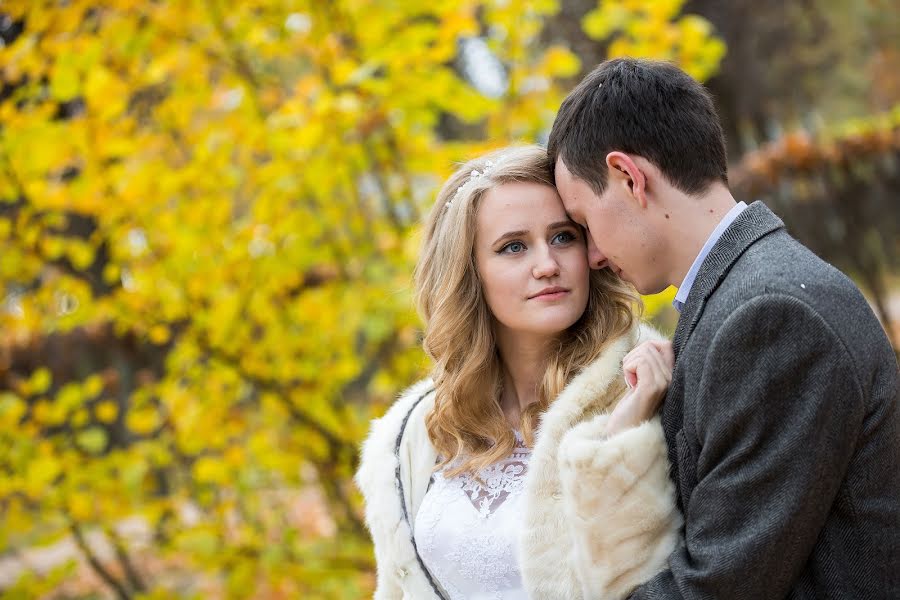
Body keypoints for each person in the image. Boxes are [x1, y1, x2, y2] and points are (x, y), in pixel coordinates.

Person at [548, 57, 900, 599]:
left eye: (585, 222)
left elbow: (720, 586)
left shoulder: (770, 315)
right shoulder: (739, 297)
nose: (592, 255)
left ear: (629, 177)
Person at [355, 145, 682, 599]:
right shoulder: (412, 435)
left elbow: (651, 581)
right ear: (470, 274)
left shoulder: (648, 383)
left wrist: (619, 440)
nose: (547, 264)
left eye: (564, 237)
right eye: (513, 247)